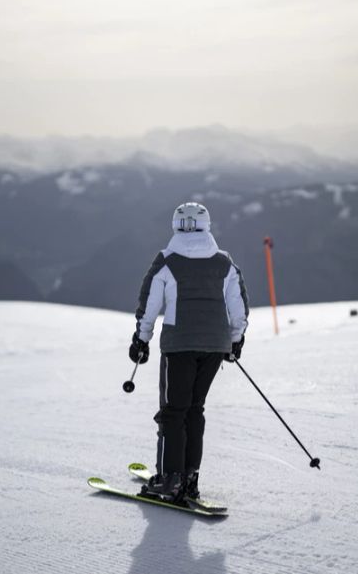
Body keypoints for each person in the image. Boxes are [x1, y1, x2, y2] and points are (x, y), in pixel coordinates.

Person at [130, 202, 249, 502]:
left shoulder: (167, 261)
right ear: (207, 225)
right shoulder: (224, 262)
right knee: (195, 409)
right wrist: (235, 340)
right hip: (214, 345)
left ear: (175, 225)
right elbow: (238, 306)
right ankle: (189, 479)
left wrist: (141, 339)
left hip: (179, 345)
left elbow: (150, 304)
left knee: (173, 411)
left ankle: (169, 479)